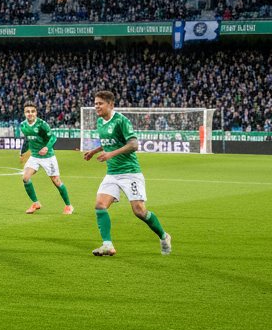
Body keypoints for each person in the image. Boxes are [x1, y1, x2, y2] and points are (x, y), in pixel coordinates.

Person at [82, 90, 172, 257]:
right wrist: (94, 151)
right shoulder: (100, 122)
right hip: (112, 173)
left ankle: (163, 236)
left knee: (139, 211)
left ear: (111, 104)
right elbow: (110, 142)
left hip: (130, 172)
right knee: (100, 205)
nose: (97, 106)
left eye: (100, 103)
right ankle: (107, 245)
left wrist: (111, 154)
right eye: (95, 103)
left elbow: (133, 144)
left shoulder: (121, 121)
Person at [18, 102, 74, 214]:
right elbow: (27, 140)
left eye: (32, 111)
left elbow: (53, 137)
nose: (30, 114)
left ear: (36, 113)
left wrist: (47, 148)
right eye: (28, 112)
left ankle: (68, 205)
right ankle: (35, 203)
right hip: (34, 156)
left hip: (48, 157)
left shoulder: (42, 125)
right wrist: (22, 152)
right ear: (24, 113)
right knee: (25, 178)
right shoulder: (23, 126)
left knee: (56, 181)